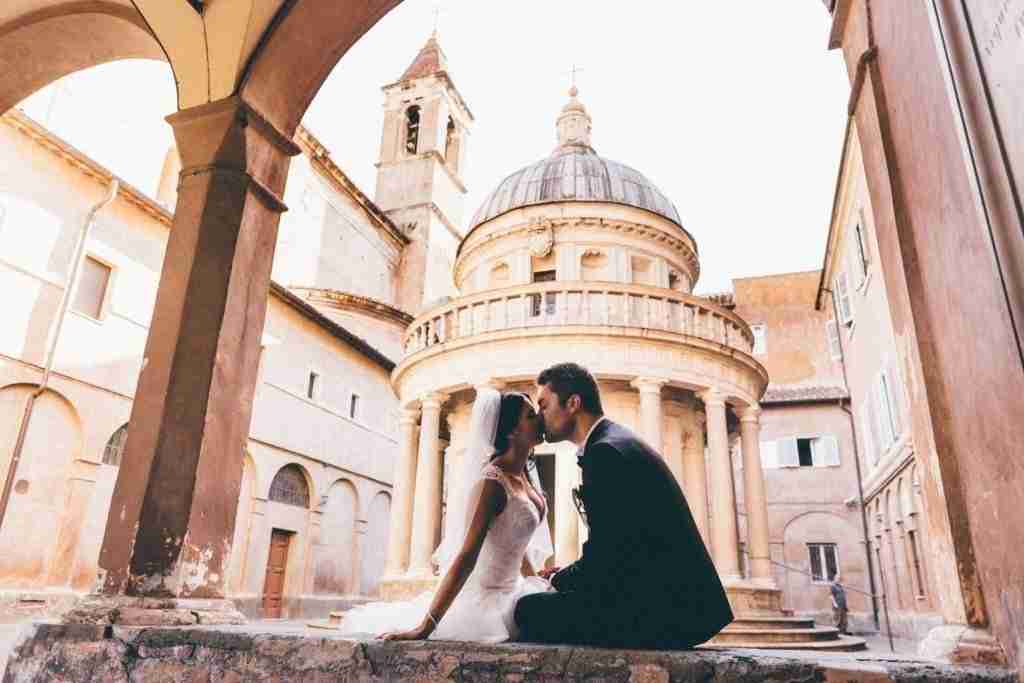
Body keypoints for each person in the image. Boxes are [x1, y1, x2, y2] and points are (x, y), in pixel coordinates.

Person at [514, 362, 733, 649]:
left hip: (663, 613)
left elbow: (606, 557)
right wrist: (564, 575)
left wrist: (560, 579)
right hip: (672, 604)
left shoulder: (606, 452)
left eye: (544, 405)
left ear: (573, 404)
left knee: (527, 610)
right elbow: (616, 546)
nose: (540, 416)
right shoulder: (615, 441)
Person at [337, 389, 553, 642]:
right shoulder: (493, 483)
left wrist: (534, 579)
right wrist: (426, 627)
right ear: (511, 431)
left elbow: (515, 539)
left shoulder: (524, 474)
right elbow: (466, 556)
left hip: (516, 588)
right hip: (490, 602)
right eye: (530, 415)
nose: (539, 419)